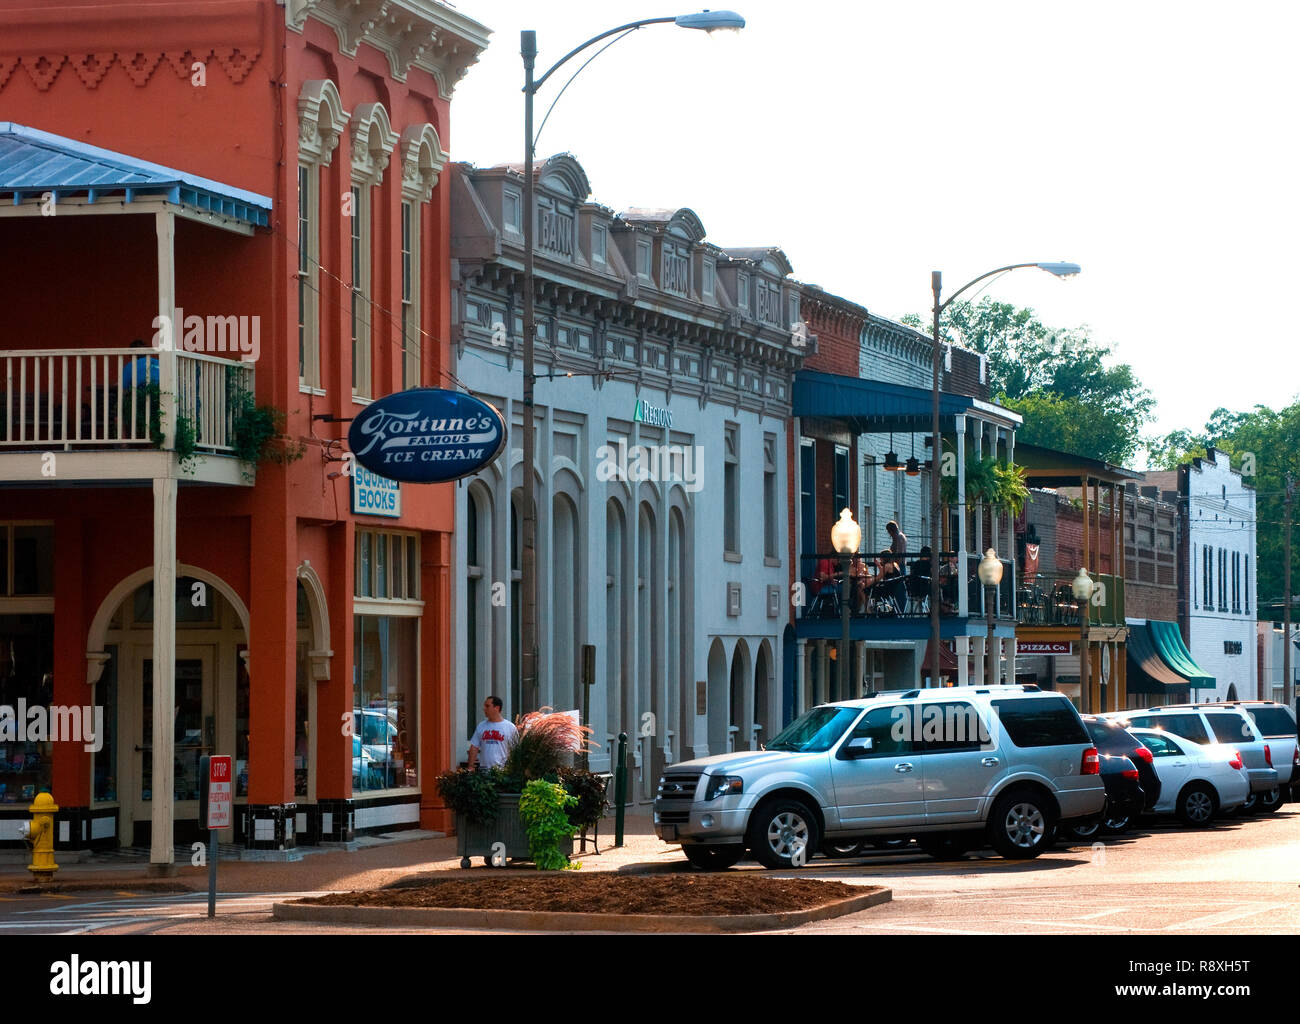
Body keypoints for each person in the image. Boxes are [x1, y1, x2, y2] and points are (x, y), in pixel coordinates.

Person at [468, 696, 518, 772]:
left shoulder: (510, 727)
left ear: (497, 708)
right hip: (484, 771)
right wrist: (470, 766)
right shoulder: (481, 726)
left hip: (503, 773)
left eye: (487, 706)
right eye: (484, 706)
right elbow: (474, 747)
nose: (484, 709)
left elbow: (516, 751)